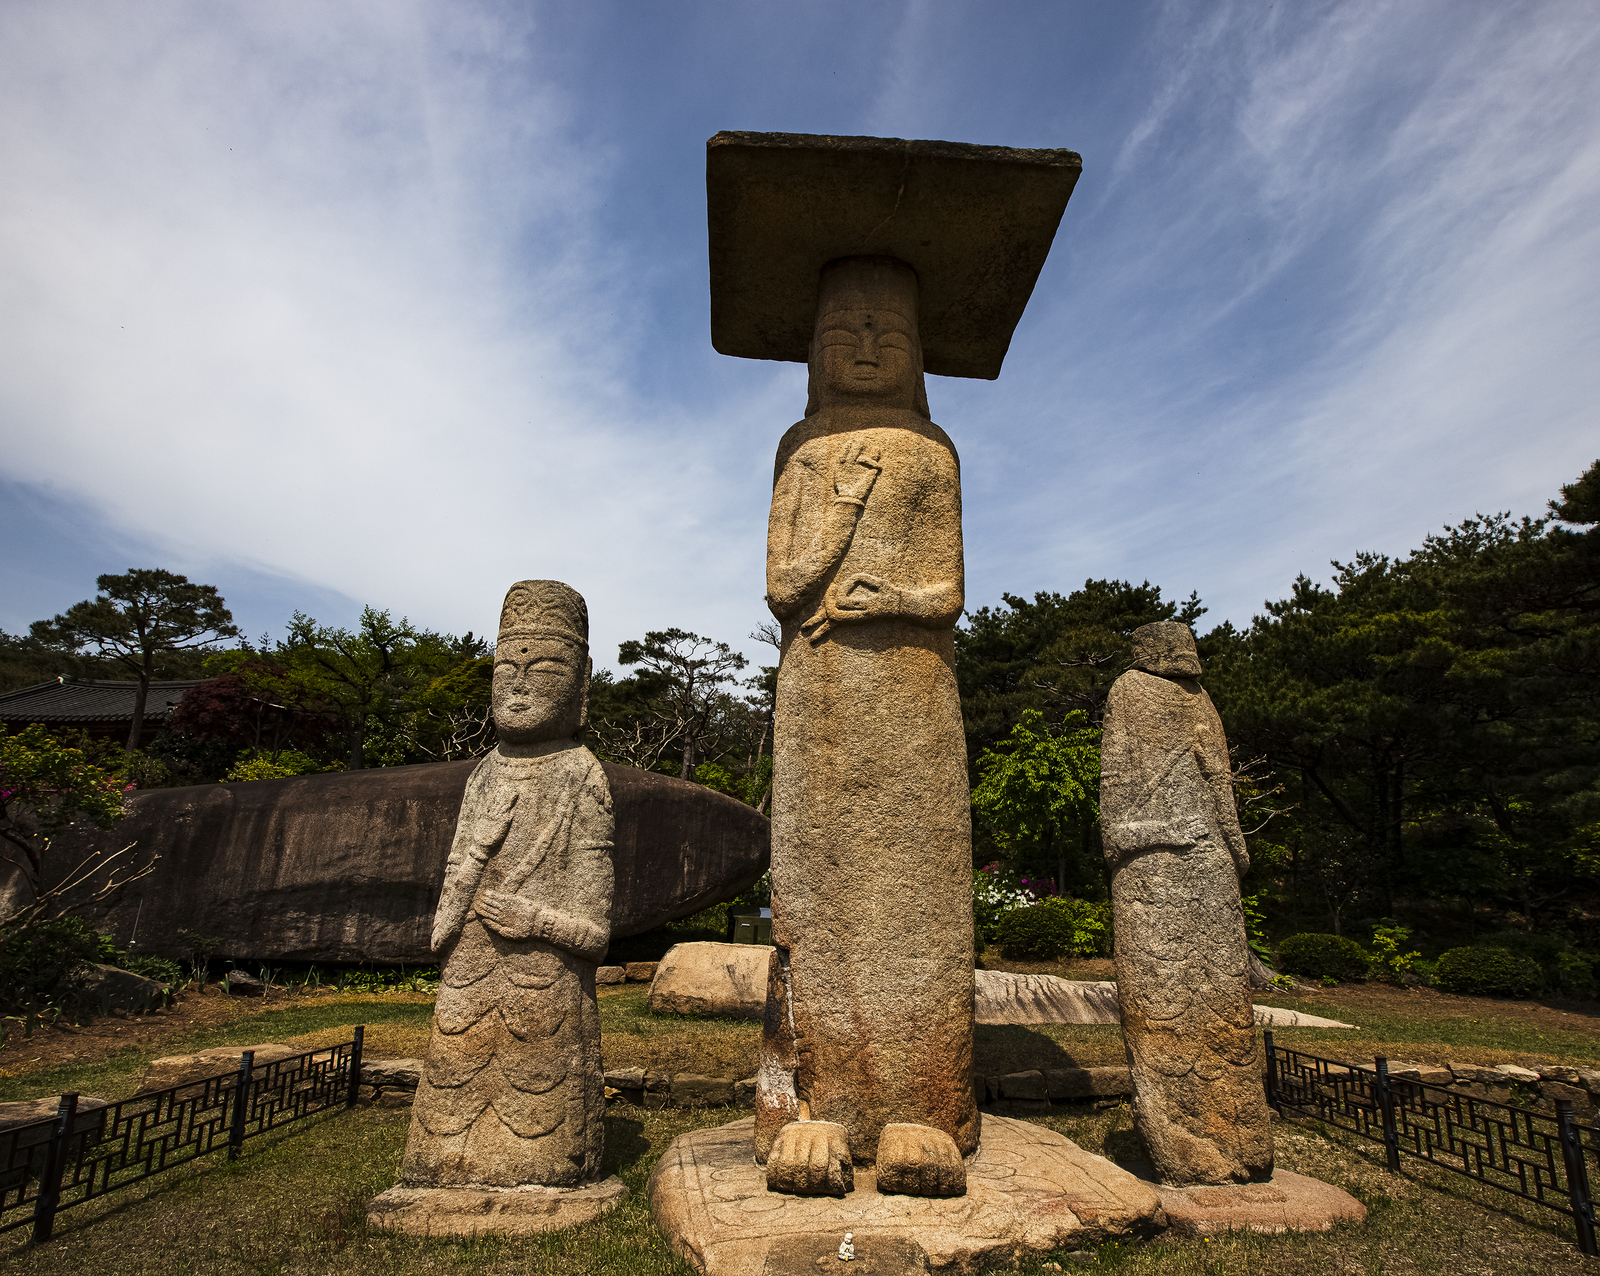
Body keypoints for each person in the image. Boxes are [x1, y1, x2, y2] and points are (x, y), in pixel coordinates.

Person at [400, 580, 615, 1190]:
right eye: (505, 669)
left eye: (542, 669)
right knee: (445, 1117)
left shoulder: (583, 778)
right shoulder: (482, 776)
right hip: (467, 980)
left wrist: (536, 920)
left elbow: (596, 935)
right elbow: (441, 930)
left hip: (544, 988)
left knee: (541, 1128)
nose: (518, 685)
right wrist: (475, 852)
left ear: (580, 684)